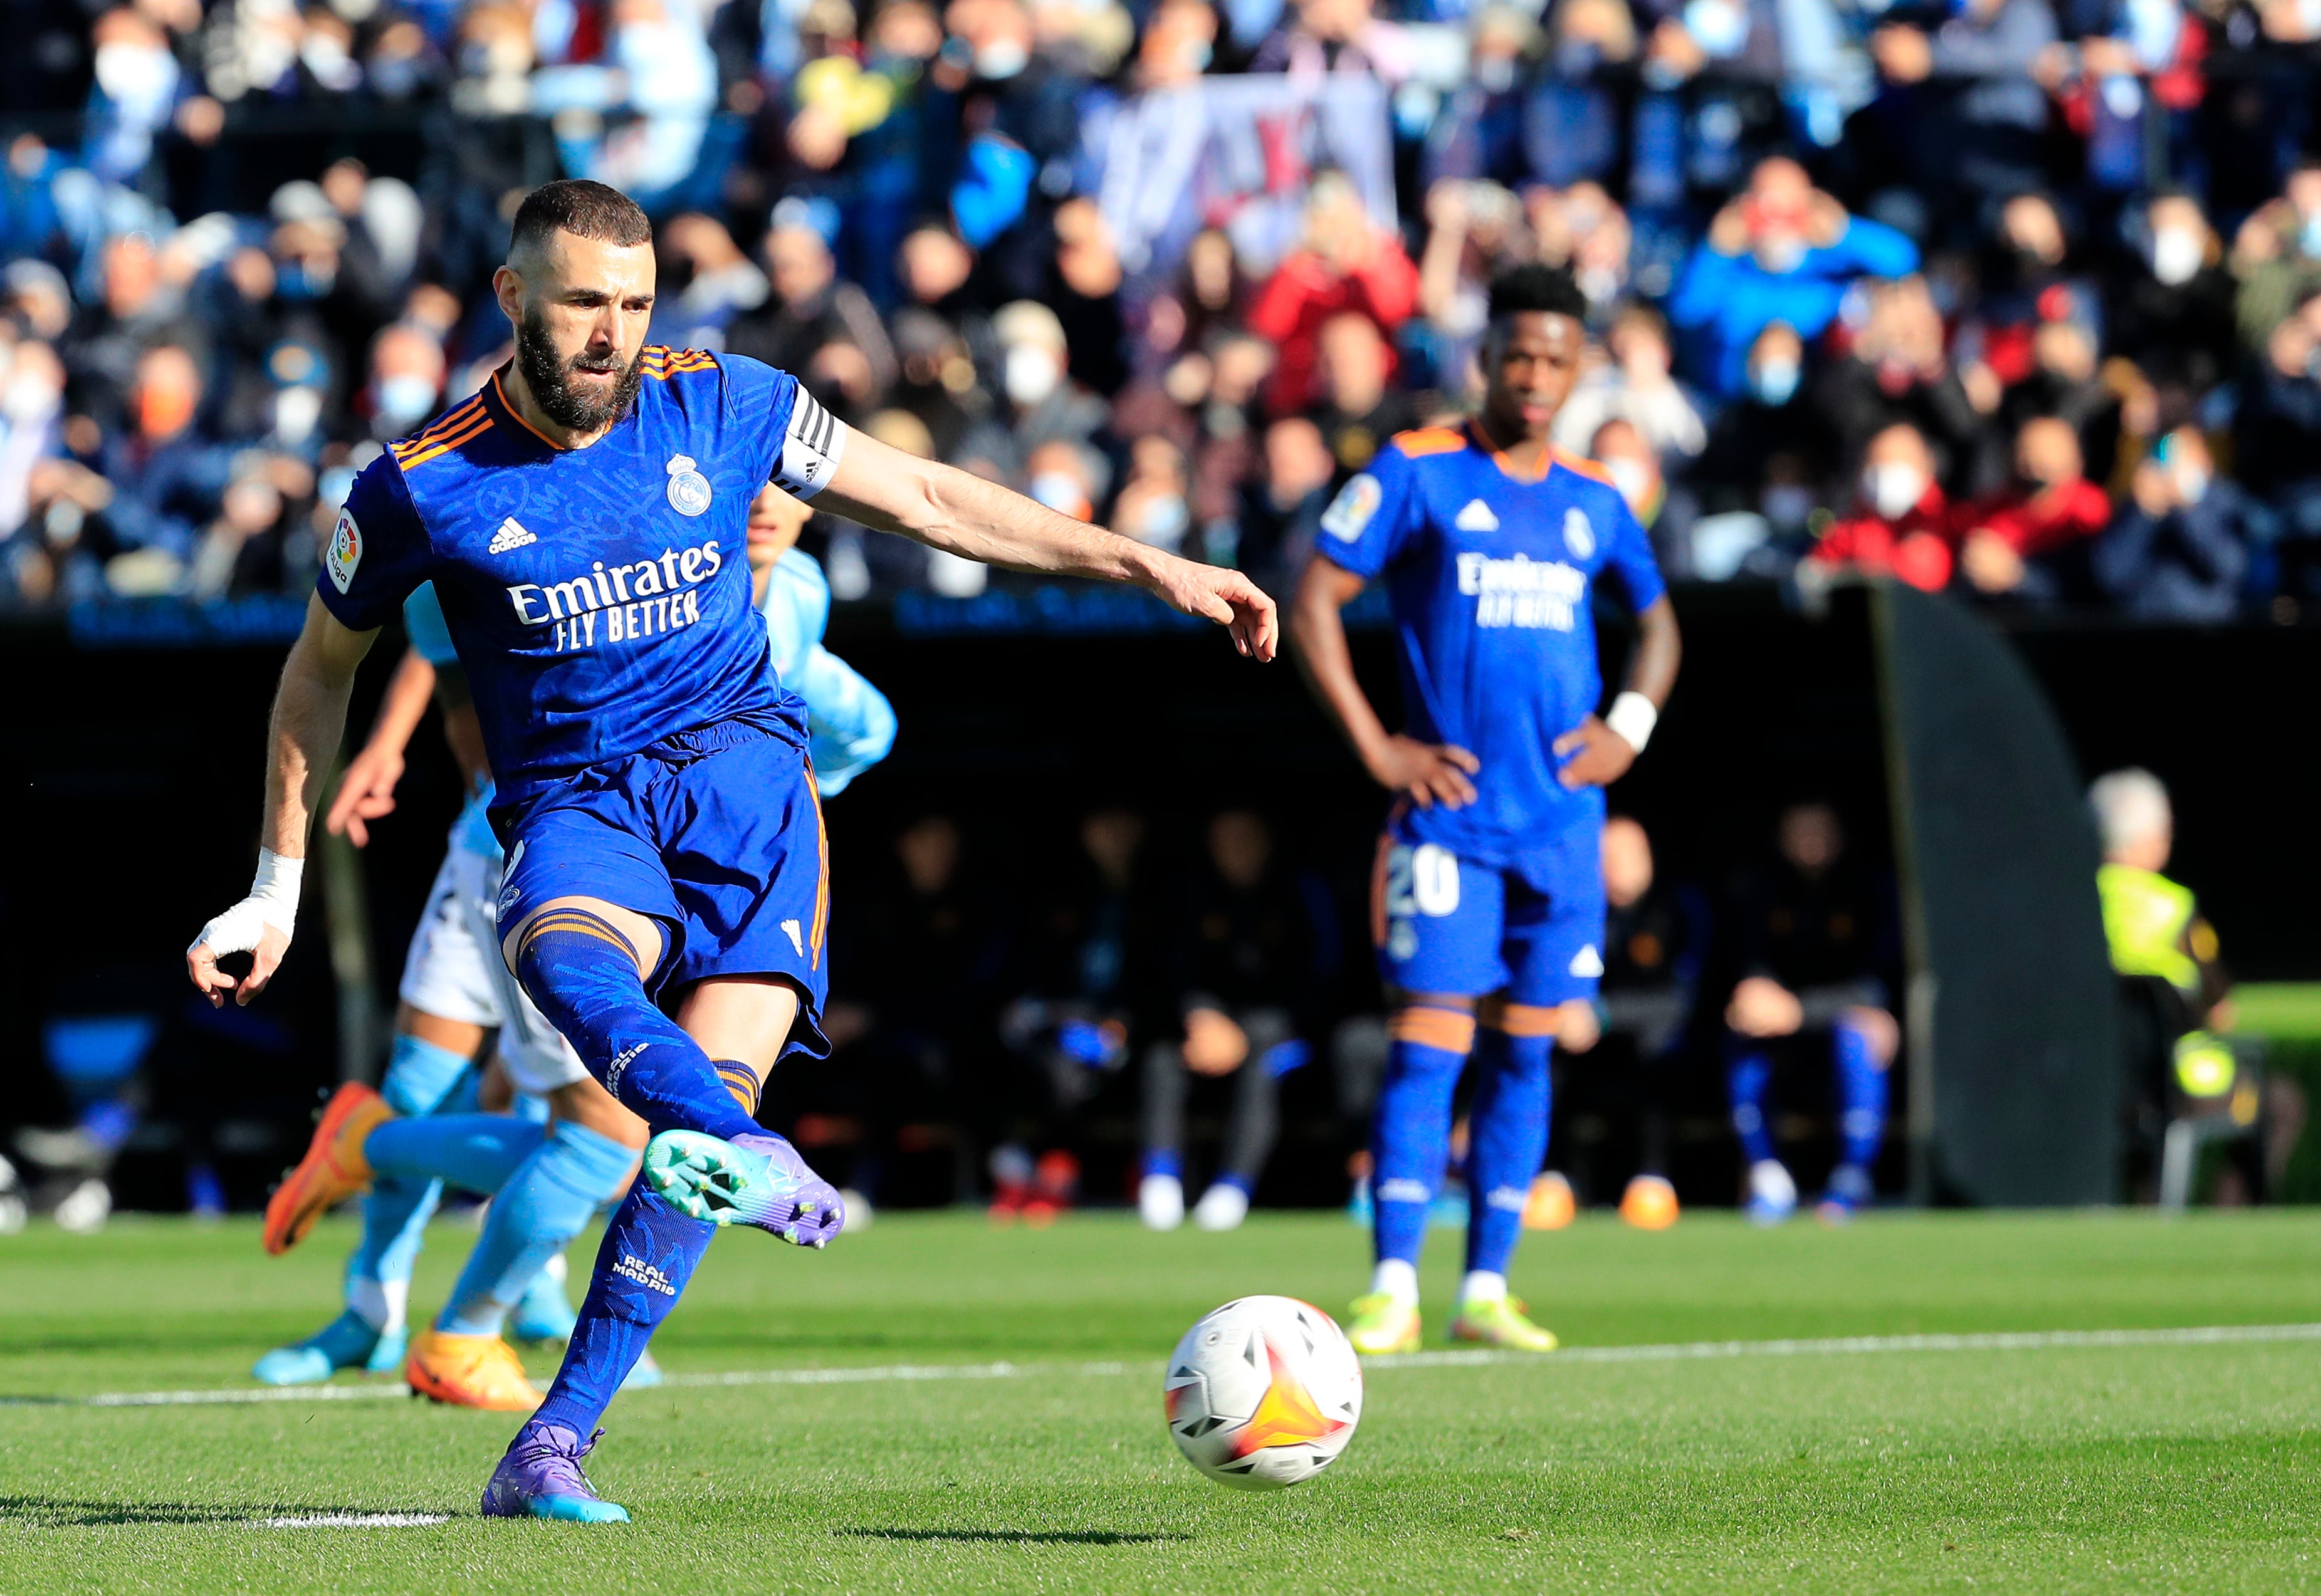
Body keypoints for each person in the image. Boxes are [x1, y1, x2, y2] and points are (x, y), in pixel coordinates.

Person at [186, 179, 1275, 1524]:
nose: (612, 334)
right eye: (585, 301)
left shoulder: (730, 401)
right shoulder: (421, 485)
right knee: (571, 957)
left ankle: (549, 1445)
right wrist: (275, 885)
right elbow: (315, 675)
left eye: (636, 305)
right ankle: (734, 1143)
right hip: (576, 795)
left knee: (690, 1138)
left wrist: (1147, 564)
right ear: (514, 296)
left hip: (752, 792)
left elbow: (930, 494)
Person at [1288, 263, 1680, 1356]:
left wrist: (1627, 729)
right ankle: (1391, 1286)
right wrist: (1375, 745)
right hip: (1449, 819)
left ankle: (1488, 1288)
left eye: (1557, 358)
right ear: (1486, 357)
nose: (1537, 376)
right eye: (1519, 355)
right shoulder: (1414, 473)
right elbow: (1314, 592)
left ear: (1579, 365)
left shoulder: (1595, 499)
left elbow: (1659, 623)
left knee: (1528, 1052)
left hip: (1560, 830)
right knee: (1426, 1046)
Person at [1137, 809, 1325, 1233]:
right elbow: (1173, 969)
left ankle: (1231, 1188)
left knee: (1265, 1060)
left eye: (1245, 837)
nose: (1235, 849)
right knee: (1162, 1058)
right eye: (1224, 839)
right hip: (1208, 1033)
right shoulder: (1192, 893)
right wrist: (1200, 1015)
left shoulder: (1300, 889)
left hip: (1290, 1037)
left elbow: (1324, 973)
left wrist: (1259, 1028)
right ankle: (1159, 1184)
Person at [1721, 801, 1899, 1225]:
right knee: (1741, 1033)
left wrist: (1799, 1010)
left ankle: (1852, 1178)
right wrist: (1752, 997)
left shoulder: (1868, 890)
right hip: (1781, 1045)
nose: (1811, 842)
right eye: (1799, 832)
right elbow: (1751, 972)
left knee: (1860, 1034)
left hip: (1838, 1035)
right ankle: (1768, 1176)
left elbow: (1873, 985)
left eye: (1820, 831)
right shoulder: (1761, 891)